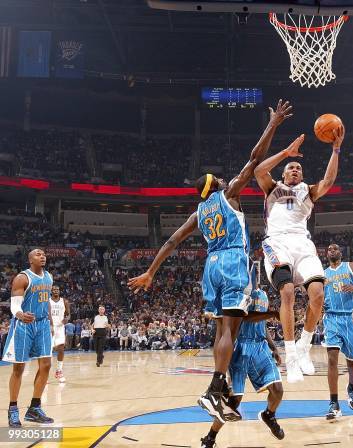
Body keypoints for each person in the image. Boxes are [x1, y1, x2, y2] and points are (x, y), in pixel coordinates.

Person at [128, 100, 293, 423]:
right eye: (218, 178)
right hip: (232, 261)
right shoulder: (230, 194)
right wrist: (273, 123)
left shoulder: (198, 212)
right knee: (230, 327)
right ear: (215, 186)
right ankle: (214, 389)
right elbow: (255, 159)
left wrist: (151, 271)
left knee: (222, 329)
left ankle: (215, 389)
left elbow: (173, 240)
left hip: (211, 266)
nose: (222, 178)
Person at [254, 125, 345, 383]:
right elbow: (258, 169)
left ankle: (304, 347)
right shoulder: (272, 188)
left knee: (317, 295)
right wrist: (286, 152)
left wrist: (335, 150)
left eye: (299, 168)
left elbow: (328, 181)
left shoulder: (308, 190)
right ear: (283, 173)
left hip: (303, 244)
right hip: (277, 243)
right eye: (291, 168)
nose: (295, 170)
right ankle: (291, 355)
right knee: (287, 292)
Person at [201, 277, 284, 448]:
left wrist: (273, 346)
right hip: (240, 346)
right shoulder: (240, 294)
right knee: (233, 402)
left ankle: (269, 415)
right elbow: (246, 317)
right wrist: (274, 314)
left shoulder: (263, 295)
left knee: (277, 390)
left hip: (260, 346)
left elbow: (262, 322)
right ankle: (210, 437)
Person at [2, 248, 55, 427]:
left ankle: (34, 408)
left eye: (44, 254)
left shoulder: (49, 277)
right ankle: (13, 409)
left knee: (46, 365)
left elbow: (46, 299)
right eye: (38, 254)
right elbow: (14, 305)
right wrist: (20, 314)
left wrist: (51, 321)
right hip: (24, 325)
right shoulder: (22, 278)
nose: (43, 256)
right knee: (19, 369)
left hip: (42, 324)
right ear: (30, 260)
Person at [322, 244, 353, 421]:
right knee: (332, 360)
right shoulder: (322, 274)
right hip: (332, 318)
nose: (332, 250)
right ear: (326, 254)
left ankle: (352, 387)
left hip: (350, 319)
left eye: (335, 248)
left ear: (341, 253)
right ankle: (334, 404)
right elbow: (313, 293)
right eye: (329, 249)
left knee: (351, 363)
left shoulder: (352, 266)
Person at [49, 285, 70, 383]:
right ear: (51, 291)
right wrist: (50, 325)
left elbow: (68, 314)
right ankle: (45, 373)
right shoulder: (47, 301)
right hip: (49, 327)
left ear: (59, 291)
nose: (56, 291)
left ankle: (59, 371)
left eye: (57, 289)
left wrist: (67, 319)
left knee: (61, 349)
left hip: (60, 327)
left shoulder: (64, 301)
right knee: (48, 352)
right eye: (54, 290)